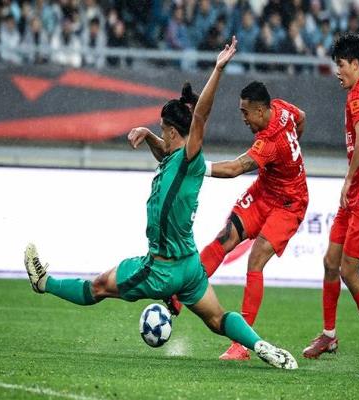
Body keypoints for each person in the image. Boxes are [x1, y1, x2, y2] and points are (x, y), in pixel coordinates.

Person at [24, 37, 297, 370]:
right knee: (218, 319)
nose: (161, 133)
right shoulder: (178, 160)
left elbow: (201, 117)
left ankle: (44, 282)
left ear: (171, 131)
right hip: (189, 269)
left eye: (161, 128)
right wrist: (150, 136)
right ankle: (260, 345)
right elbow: (167, 152)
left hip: (160, 270)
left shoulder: (189, 157)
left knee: (98, 287)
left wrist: (218, 69)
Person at [130, 81, 309, 362]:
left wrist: (195, 166)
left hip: (290, 203)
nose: (243, 119)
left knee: (255, 260)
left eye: (246, 113)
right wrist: (292, 149)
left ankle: (241, 345)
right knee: (225, 239)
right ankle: (179, 296)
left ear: (260, 111)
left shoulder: (269, 142)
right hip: (264, 192)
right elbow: (301, 118)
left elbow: (236, 168)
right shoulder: (282, 108)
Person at [302, 33, 359, 363]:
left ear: (355, 64)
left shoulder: (357, 96)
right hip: (358, 195)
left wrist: (349, 179)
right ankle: (329, 336)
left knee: (349, 271)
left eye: (340, 65)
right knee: (330, 262)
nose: (337, 71)